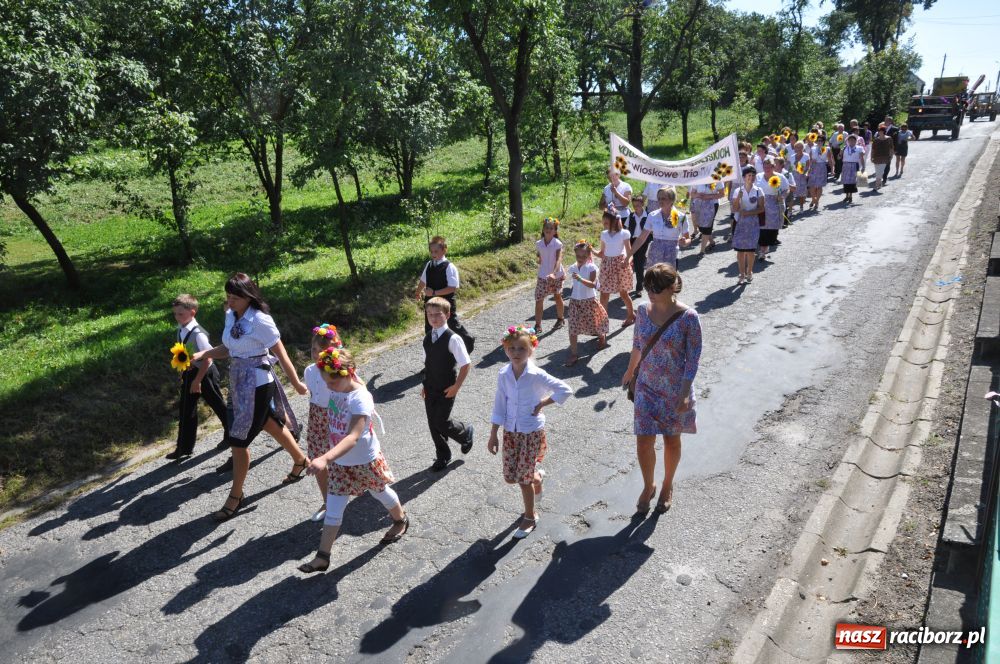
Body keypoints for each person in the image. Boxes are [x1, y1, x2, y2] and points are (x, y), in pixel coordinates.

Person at [191, 273, 308, 522]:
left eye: (234, 297)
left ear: (248, 296)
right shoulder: (231, 315)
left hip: (257, 384)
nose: (229, 301)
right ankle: (300, 460)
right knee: (268, 423)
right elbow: (229, 348)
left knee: (238, 441)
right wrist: (204, 353)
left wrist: (296, 382)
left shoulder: (260, 321)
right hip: (239, 382)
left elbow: (281, 352)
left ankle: (236, 496)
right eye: (228, 297)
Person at [298, 347, 408, 573]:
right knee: (334, 506)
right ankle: (322, 556)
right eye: (326, 382)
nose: (329, 387)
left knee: (380, 492)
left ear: (348, 373)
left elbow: (353, 436)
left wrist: (324, 458)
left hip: (364, 460)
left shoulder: (360, 398)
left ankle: (400, 520)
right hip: (340, 462)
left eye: (332, 383)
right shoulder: (337, 387)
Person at [621, 263, 701, 514]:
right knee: (643, 442)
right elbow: (637, 345)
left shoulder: (689, 318)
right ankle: (649, 485)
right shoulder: (643, 312)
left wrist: (685, 392)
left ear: (671, 287)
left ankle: (667, 485)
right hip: (646, 387)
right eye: (647, 287)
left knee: (671, 440)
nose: (650, 293)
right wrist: (630, 371)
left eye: (655, 288)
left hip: (674, 390)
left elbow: (693, 359)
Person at [488, 325, 573, 539]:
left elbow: (565, 389)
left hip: (530, 432)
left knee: (522, 480)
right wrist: (493, 433)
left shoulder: (536, 374)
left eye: (521, 349)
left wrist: (544, 402)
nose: (516, 353)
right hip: (510, 432)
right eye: (512, 348)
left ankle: (530, 516)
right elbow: (500, 403)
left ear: (531, 350)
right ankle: (537, 477)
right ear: (505, 349)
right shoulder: (504, 373)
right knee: (511, 477)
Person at [168, 294, 229, 460]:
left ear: (192, 313)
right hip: (191, 372)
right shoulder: (181, 329)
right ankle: (184, 447)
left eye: (180, 314)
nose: (177, 317)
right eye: (175, 314)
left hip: (205, 373)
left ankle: (231, 433)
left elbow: (208, 358)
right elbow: (184, 351)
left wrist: (197, 381)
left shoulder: (198, 333)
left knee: (217, 404)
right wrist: (183, 369)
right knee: (186, 409)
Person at [421, 297, 474, 471]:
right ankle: (443, 455)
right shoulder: (428, 338)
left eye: (438, 314)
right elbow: (427, 364)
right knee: (432, 423)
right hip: (430, 387)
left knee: (441, 421)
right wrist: (424, 385)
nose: (433, 318)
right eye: (430, 314)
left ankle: (465, 433)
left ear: (447, 314)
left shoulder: (453, 339)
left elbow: (466, 364)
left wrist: (456, 386)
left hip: (447, 387)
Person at [302, 324, 343, 522]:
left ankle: (348, 491)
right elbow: (313, 394)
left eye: (322, 350)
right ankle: (328, 501)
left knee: (341, 458)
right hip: (317, 417)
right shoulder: (309, 371)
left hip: (336, 418)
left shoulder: (338, 370)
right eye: (313, 350)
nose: (317, 354)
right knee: (317, 458)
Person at [414, 236, 474, 352]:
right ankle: (432, 358)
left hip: (446, 304)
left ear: (444, 250)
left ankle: (467, 342)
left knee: (452, 325)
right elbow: (423, 280)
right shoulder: (429, 265)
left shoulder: (449, 267)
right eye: (431, 251)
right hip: (431, 304)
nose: (433, 254)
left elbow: (453, 288)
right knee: (430, 328)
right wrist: (418, 292)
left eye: (436, 251)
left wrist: (435, 292)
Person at [565, 239, 609, 367]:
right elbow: (572, 283)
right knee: (572, 327)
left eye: (584, 256)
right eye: (578, 256)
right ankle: (574, 353)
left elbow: (593, 285)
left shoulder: (592, 268)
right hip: (575, 301)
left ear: (589, 255)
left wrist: (580, 279)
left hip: (589, 301)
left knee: (594, 324)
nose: (580, 258)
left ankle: (601, 337)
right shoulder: (573, 267)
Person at [632, 186, 691, 270]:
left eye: (663, 198)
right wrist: (629, 255)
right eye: (659, 198)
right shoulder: (652, 215)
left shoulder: (681, 217)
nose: (660, 201)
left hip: (671, 255)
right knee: (653, 281)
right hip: (654, 256)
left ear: (672, 200)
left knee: (668, 281)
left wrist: (685, 242)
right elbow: (641, 238)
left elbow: (688, 239)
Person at [595, 210, 635, 328]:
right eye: (603, 223)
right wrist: (591, 250)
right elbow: (602, 253)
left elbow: (630, 253)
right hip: (607, 266)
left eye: (606, 223)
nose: (604, 225)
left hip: (620, 266)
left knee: (623, 294)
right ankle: (603, 323)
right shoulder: (604, 234)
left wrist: (627, 260)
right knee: (604, 294)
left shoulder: (624, 233)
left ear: (614, 221)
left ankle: (630, 315)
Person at [731, 166, 764, 285]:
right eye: (749, 175)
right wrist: (738, 199)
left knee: (750, 250)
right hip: (740, 222)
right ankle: (741, 273)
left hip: (753, 223)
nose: (751, 178)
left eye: (753, 175)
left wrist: (749, 213)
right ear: (744, 178)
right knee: (740, 250)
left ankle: (749, 271)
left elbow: (761, 208)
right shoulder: (737, 191)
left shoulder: (758, 190)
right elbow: (734, 208)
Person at [533, 217, 565, 334]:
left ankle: (560, 319)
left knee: (557, 296)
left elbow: (558, 260)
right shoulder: (539, 243)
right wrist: (540, 260)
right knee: (539, 299)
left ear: (555, 231)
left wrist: (554, 273)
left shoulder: (557, 244)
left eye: (551, 228)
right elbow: (540, 256)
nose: (548, 230)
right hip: (542, 276)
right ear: (543, 229)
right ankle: (537, 325)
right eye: (546, 227)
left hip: (556, 276)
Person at [757, 159, 790, 262]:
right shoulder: (758, 177)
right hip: (761, 204)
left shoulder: (780, 177)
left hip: (775, 205)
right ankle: (762, 250)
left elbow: (787, 189)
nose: (766, 169)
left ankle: (766, 246)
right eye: (765, 167)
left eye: (769, 167)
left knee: (772, 228)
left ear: (773, 167)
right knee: (762, 227)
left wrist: (783, 196)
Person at [688, 180, 725, 255]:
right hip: (699, 204)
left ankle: (702, 250)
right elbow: (692, 194)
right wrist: (698, 195)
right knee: (700, 226)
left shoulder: (717, 179)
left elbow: (722, 194)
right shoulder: (699, 177)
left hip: (712, 204)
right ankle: (712, 242)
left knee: (707, 226)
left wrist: (709, 196)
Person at [626, 195, 650, 297]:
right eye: (634, 205)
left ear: (643, 205)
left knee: (639, 264)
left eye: (638, 205)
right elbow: (626, 229)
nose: (636, 207)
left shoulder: (648, 216)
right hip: (632, 241)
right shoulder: (631, 216)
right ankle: (643, 281)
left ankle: (639, 287)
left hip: (644, 241)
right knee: (635, 264)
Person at [840, 133, 865, 204]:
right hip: (846, 165)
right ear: (848, 141)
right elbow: (839, 157)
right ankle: (847, 195)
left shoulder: (859, 148)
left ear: (855, 141)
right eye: (850, 140)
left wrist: (863, 166)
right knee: (846, 181)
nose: (851, 141)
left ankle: (850, 195)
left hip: (854, 165)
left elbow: (861, 158)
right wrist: (840, 153)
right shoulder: (844, 148)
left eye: (853, 140)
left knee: (853, 181)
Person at [807, 135, 830, 211]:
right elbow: (810, 159)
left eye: (821, 140)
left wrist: (832, 169)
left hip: (822, 167)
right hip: (813, 167)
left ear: (823, 141)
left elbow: (830, 159)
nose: (819, 142)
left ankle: (817, 201)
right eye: (818, 140)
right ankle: (814, 199)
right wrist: (809, 167)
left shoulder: (827, 149)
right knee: (812, 186)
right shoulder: (813, 148)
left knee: (819, 186)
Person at [869, 124, 894, 191]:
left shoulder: (889, 138)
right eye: (879, 131)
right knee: (878, 172)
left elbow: (891, 148)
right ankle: (879, 184)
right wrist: (871, 157)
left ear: (883, 131)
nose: (879, 132)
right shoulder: (876, 140)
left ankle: (876, 186)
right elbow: (873, 149)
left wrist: (891, 156)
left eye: (880, 131)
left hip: (885, 157)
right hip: (876, 158)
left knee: (880, 172)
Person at [791, 141, 810, 214]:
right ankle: (790, 209)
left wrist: (806, 173)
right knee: (792, 193)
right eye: (796, 147)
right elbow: (790, 167)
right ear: (794, 148)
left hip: (802, 175)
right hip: (794, 175)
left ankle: (801, 207)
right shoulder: (792, 156)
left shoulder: (806, 155)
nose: (798, 148)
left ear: (803, 148)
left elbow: (808, 166)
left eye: (800, 147)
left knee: (801, 193)